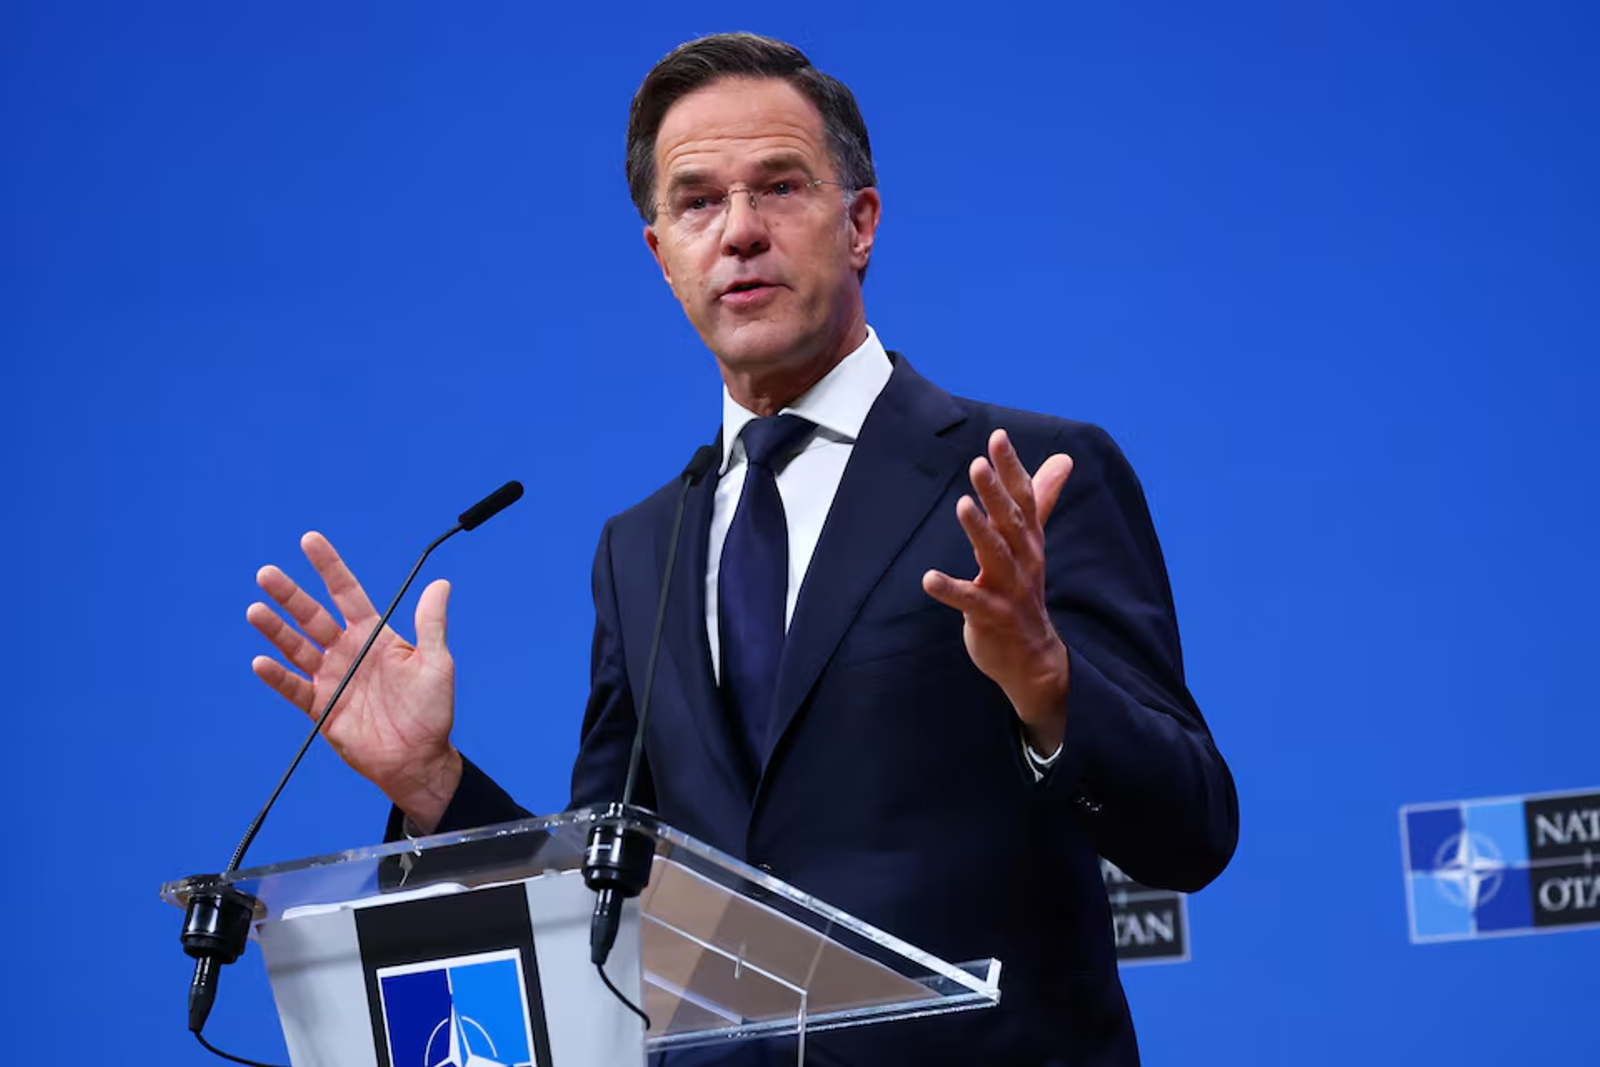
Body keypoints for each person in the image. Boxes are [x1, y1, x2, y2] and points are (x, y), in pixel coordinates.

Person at [248, 33, 1237, 1066]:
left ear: (860, 222)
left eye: (779, 187)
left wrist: (1047, 682)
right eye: (697, 203)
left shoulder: (1021, 477)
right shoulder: (642, 548)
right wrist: (434, 783)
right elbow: (602, 900)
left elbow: (1191, 829)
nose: (740, 231)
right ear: (660, 254)